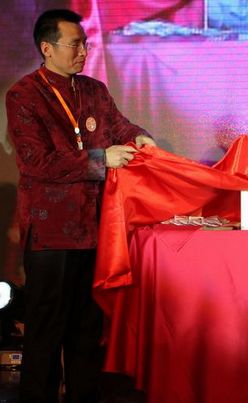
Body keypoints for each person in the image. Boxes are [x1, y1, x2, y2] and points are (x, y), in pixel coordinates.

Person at [5, 9, 156, 403]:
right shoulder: (24, 94)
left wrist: (139, 136)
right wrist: (101, 159)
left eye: (85, 44)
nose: (83, 52)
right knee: (45, 330)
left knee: (87, 331)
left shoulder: (93, 90)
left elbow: (119, 126)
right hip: (51, 233)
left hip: (95, 229)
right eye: (74, 45)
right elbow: (36, 162)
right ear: (46, 48)